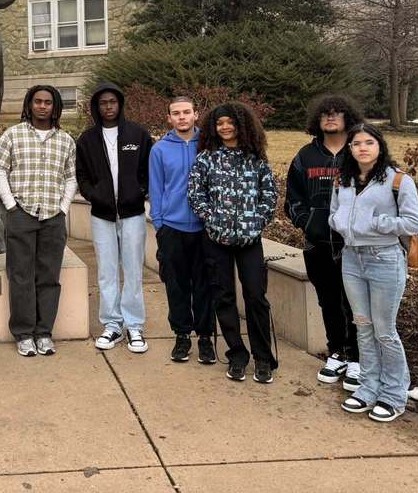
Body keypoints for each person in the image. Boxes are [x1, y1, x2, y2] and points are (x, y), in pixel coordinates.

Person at [330, 123, 418, 423]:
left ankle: (394, 395)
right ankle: (368, 387)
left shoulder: (398, 180)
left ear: (379, 146)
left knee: (385, 330)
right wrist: (340, 222)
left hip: (384, 259)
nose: (362, 148)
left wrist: (379, 223)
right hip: (351, 259)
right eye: (356, 143)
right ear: (350, 149)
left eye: (369, 142)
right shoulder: (342, 180)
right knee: (363, 326)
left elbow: (413, 222)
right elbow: (334, 213)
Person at [188, 102, 278, 384]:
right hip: (216, 239)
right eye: (219, 123)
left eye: (230, 122)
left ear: (242, 125)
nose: (225, 127)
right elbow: (195, 193)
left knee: (255, 298)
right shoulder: (206, 158)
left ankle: (263, 359)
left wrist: (257, 222)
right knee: (223, 297)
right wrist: (211, 219)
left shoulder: (256, 158)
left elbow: (270, 196)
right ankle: (237, 355)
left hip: (250, 241)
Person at [286, 95, 365, 390]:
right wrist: (308, 223)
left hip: (354, 245)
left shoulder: (359, 151)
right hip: (317, 245)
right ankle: (337, 353)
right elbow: (293, 200)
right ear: (317, 120)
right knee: (328, 300)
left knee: (354, 301)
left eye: (337, 113)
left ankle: (358, 358)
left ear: (348, 117)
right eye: (325, 114)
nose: (331, 118)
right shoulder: (305, 156)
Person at [0, 85, 77, 357]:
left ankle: (44, 333)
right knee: (20, 276)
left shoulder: (65, 140)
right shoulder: (12, 135)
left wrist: (63, 208)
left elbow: (71, 177)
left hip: (53, 217)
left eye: (48, 102)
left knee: (49, 277)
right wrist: (11, 207)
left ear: (55, 107)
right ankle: (23, 333)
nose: (43, 106)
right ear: (29, 105)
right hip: (21, 215)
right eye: (38, 101)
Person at [75, 83, 153, 354]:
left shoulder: (138, 134)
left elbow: (148, 170)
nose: (108, 107)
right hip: (102, 215)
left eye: (112, 102)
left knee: (132, 271)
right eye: (102, 103)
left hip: (132, 214)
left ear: (119, 104)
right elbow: (81, 175)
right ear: (96, 107)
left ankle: (134, 326)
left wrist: (140, 192)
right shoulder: (87, 139)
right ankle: (112, 325)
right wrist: (94, 195)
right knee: (107, 272)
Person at [149, 95, 216, 365]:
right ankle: (182, 336)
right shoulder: (160, 149)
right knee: (176, 286)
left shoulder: (209, 145)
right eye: (176, 113)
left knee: (204, 285)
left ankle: (205, 338)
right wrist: (160, 223)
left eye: (186, 112)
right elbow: (156, 188)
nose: (182, 117)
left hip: (204, 228)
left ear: (196, 114)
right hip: (173, 228)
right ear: (169, 118)